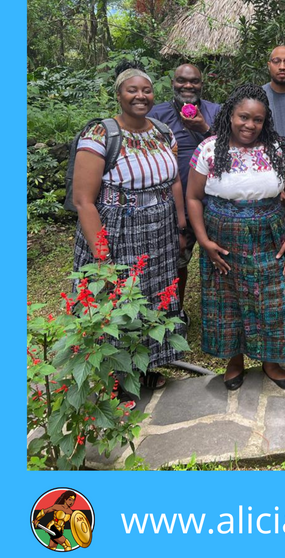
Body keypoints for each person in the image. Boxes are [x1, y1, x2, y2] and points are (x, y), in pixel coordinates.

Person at [72, 60, 188, 389]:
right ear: (119, 95)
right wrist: (102, 257)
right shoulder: (101, 134)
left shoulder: (162, 131)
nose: (141, 95)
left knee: (153, 298)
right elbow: (84, 200)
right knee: (117, 298)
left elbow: (174, 180)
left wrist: (180, 224)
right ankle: (113, 377)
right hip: (118, 229)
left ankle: (146, 365)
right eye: (132, 90)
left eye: (147, 90)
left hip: (160, 230)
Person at [186, 83, 285, 391]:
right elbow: (194, 197)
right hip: (222, 236)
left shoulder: (278, 149)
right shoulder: (209, 149)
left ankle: (271, 362)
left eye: (258, 119)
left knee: (272, 299)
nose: (250, 125)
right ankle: (234, 360)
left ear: (266, 121)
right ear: (230, 115)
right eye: (243, 117)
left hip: (270, 234)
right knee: (228, 298)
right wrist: (203, 241)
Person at [151, 63, 220, 315]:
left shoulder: (215, 111)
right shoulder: (157, 114)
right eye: (182, 80)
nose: (188, 86)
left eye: (194, 81)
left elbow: (230, 149)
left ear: (202, 84)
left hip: (213, 202)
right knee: (176, 260)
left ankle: (219, 312)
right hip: (174, 202)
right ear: (173, 83)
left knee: (219, 257)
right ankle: (175, 313)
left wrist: (203, 127)